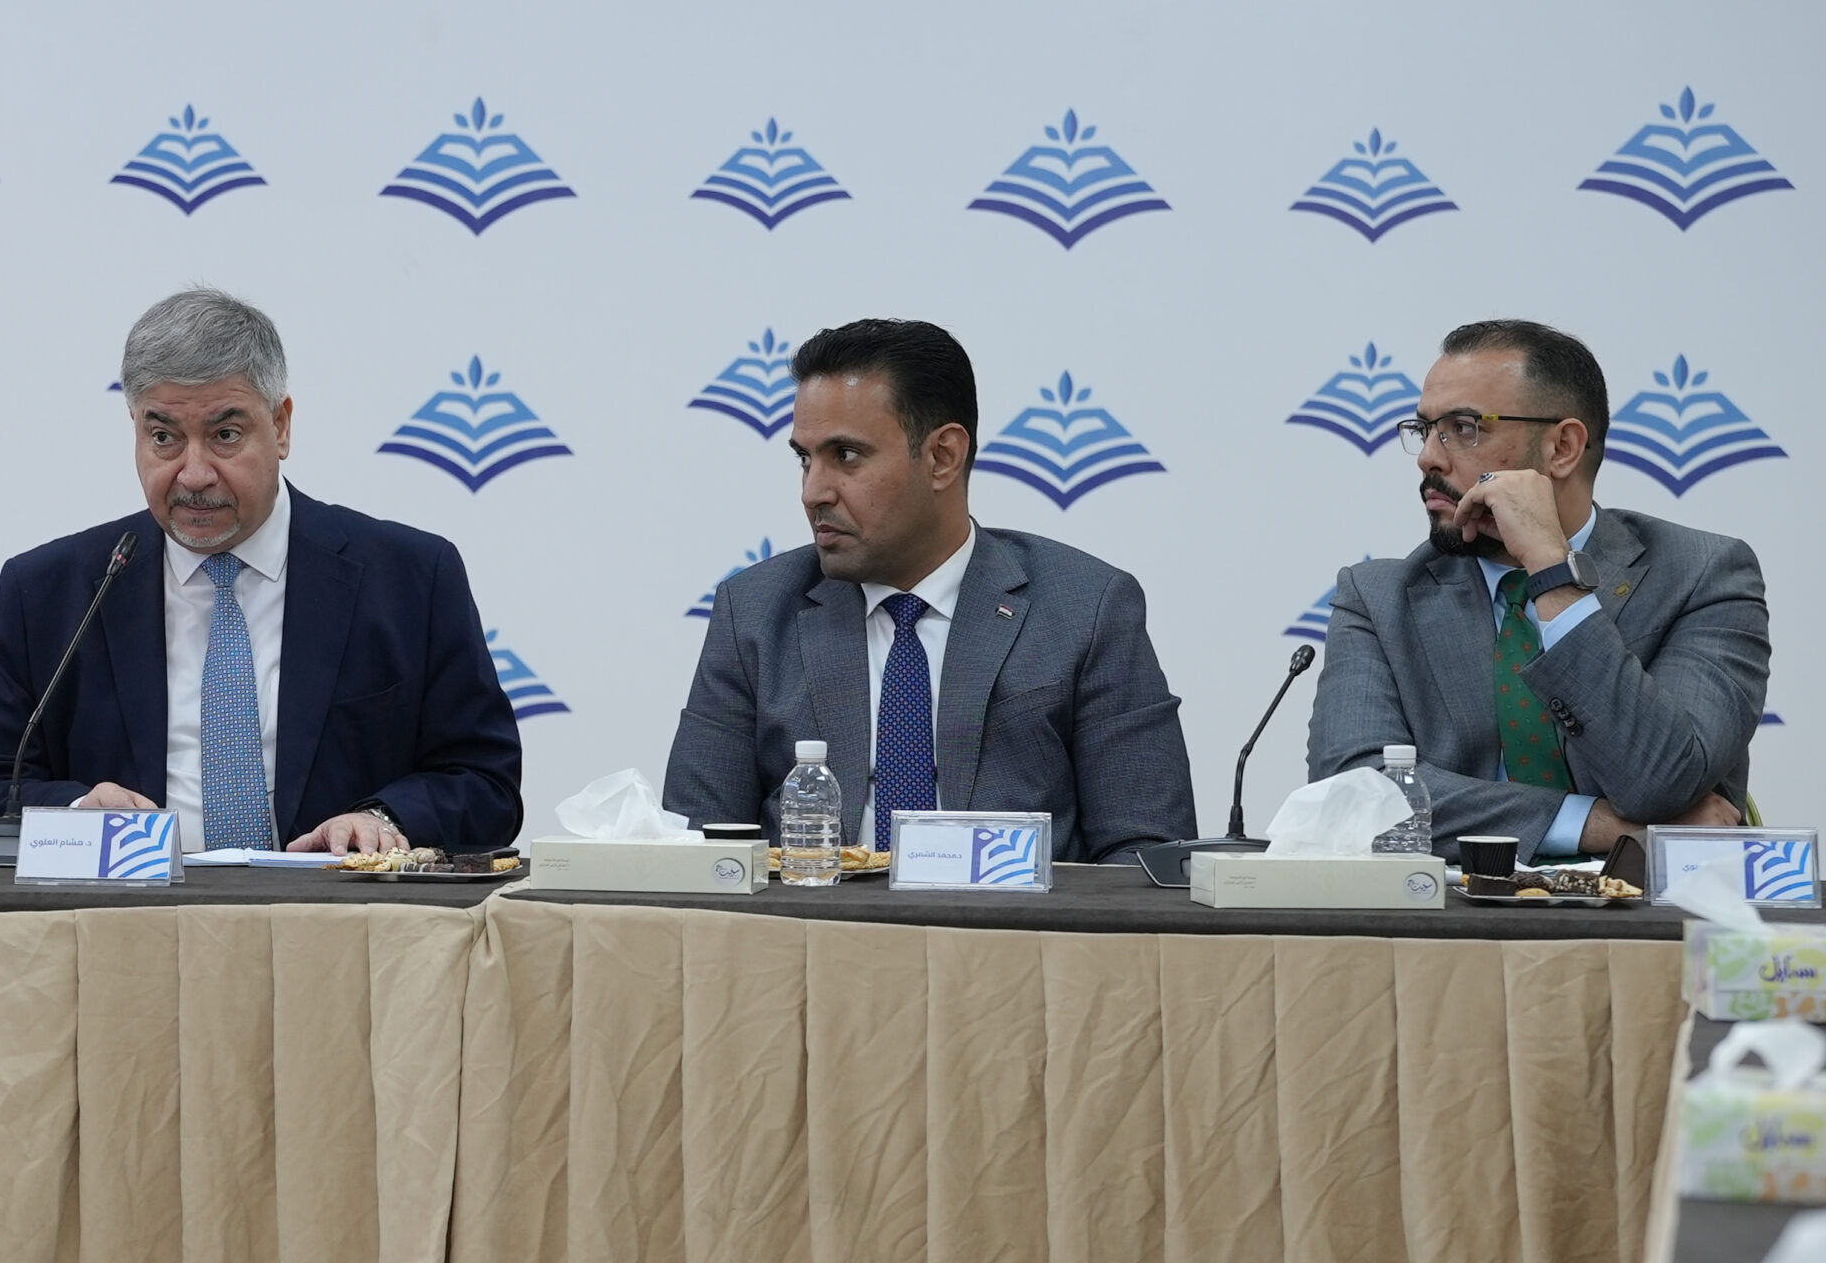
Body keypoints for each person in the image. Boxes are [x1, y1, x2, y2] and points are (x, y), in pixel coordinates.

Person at [0, 288, 522, 853]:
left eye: (225, 435)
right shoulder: (48, 592)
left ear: (281, 426)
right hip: (127, 906)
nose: (194, 474)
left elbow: (485, 782)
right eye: (163, 437)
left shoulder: (410, 578)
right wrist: (80, 813)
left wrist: (383, 819)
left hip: (336, 905)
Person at [664, 318, 1195, 862]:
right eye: (805, 458)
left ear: (943, 456)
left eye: (846, 455)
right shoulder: (754, 613)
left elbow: (1146, 853)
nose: (813, 491)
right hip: (815, 916)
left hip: (1012, 917)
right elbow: (695, 850)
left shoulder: (1085, 608)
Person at [1306, 319, 1764, 859]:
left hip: (1644, 909)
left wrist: (1550, 569)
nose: (1429, 456)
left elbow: (1663, 779)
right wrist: (1594, 823)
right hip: (1450, 908)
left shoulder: (1701, 574)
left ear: (1562, 448)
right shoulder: (1378, 598)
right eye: (1424, 429)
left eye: (1463, 428)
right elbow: (1351, 792)